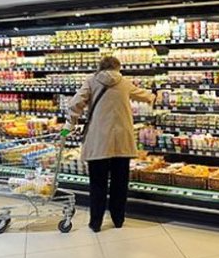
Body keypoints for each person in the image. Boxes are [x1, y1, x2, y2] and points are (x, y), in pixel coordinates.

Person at [63, 56, 154, 232]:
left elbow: (75, 104)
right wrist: (154, 96)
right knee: (120, 183)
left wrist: (68, 126)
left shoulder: (91, 81)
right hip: (122, 141)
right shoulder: (124, 82)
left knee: (98, 184)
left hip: (99, 141)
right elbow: (144, 96)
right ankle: (118, 219)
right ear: (117, 67)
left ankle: (96, 222)